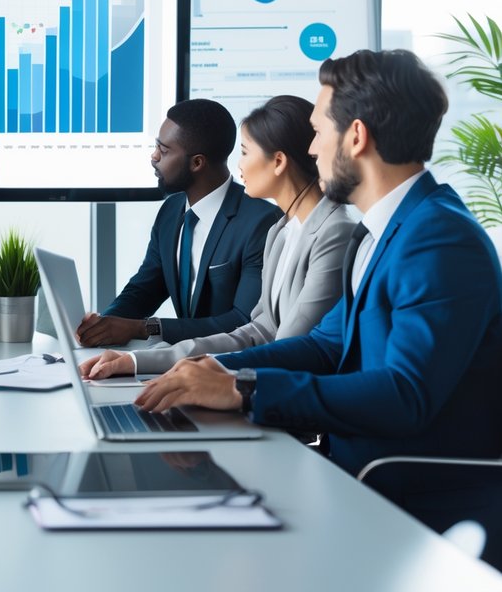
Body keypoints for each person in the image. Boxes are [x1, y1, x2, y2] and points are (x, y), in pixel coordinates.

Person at [134, 50, 502, 545]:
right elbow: (326, 346)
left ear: (356, 136)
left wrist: (247, 390)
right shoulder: (381, 232)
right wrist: (219, 372)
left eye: (318, 131)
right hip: (349, 471)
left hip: (403, 496)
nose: (310, 148)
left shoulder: (438, 238)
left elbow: (405, 395)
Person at [82, 95, 354, 378]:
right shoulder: (281, 232)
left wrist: (208, 381)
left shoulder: (328, 233)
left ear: (278, 162)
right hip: (253, 381)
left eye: (246, 153)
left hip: (284, 396)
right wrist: (139, 361)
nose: (239, 166)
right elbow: (257, 331)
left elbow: (286, 346)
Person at [75, 98, 281, 347]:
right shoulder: (171, 211)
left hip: (229, 370)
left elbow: (243, 321)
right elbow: (145, 288)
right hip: (180, 363)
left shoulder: (261, 223)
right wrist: (103, 324)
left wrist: (143, 328)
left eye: (164, 150)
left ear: (197, 163)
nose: (154, 157)